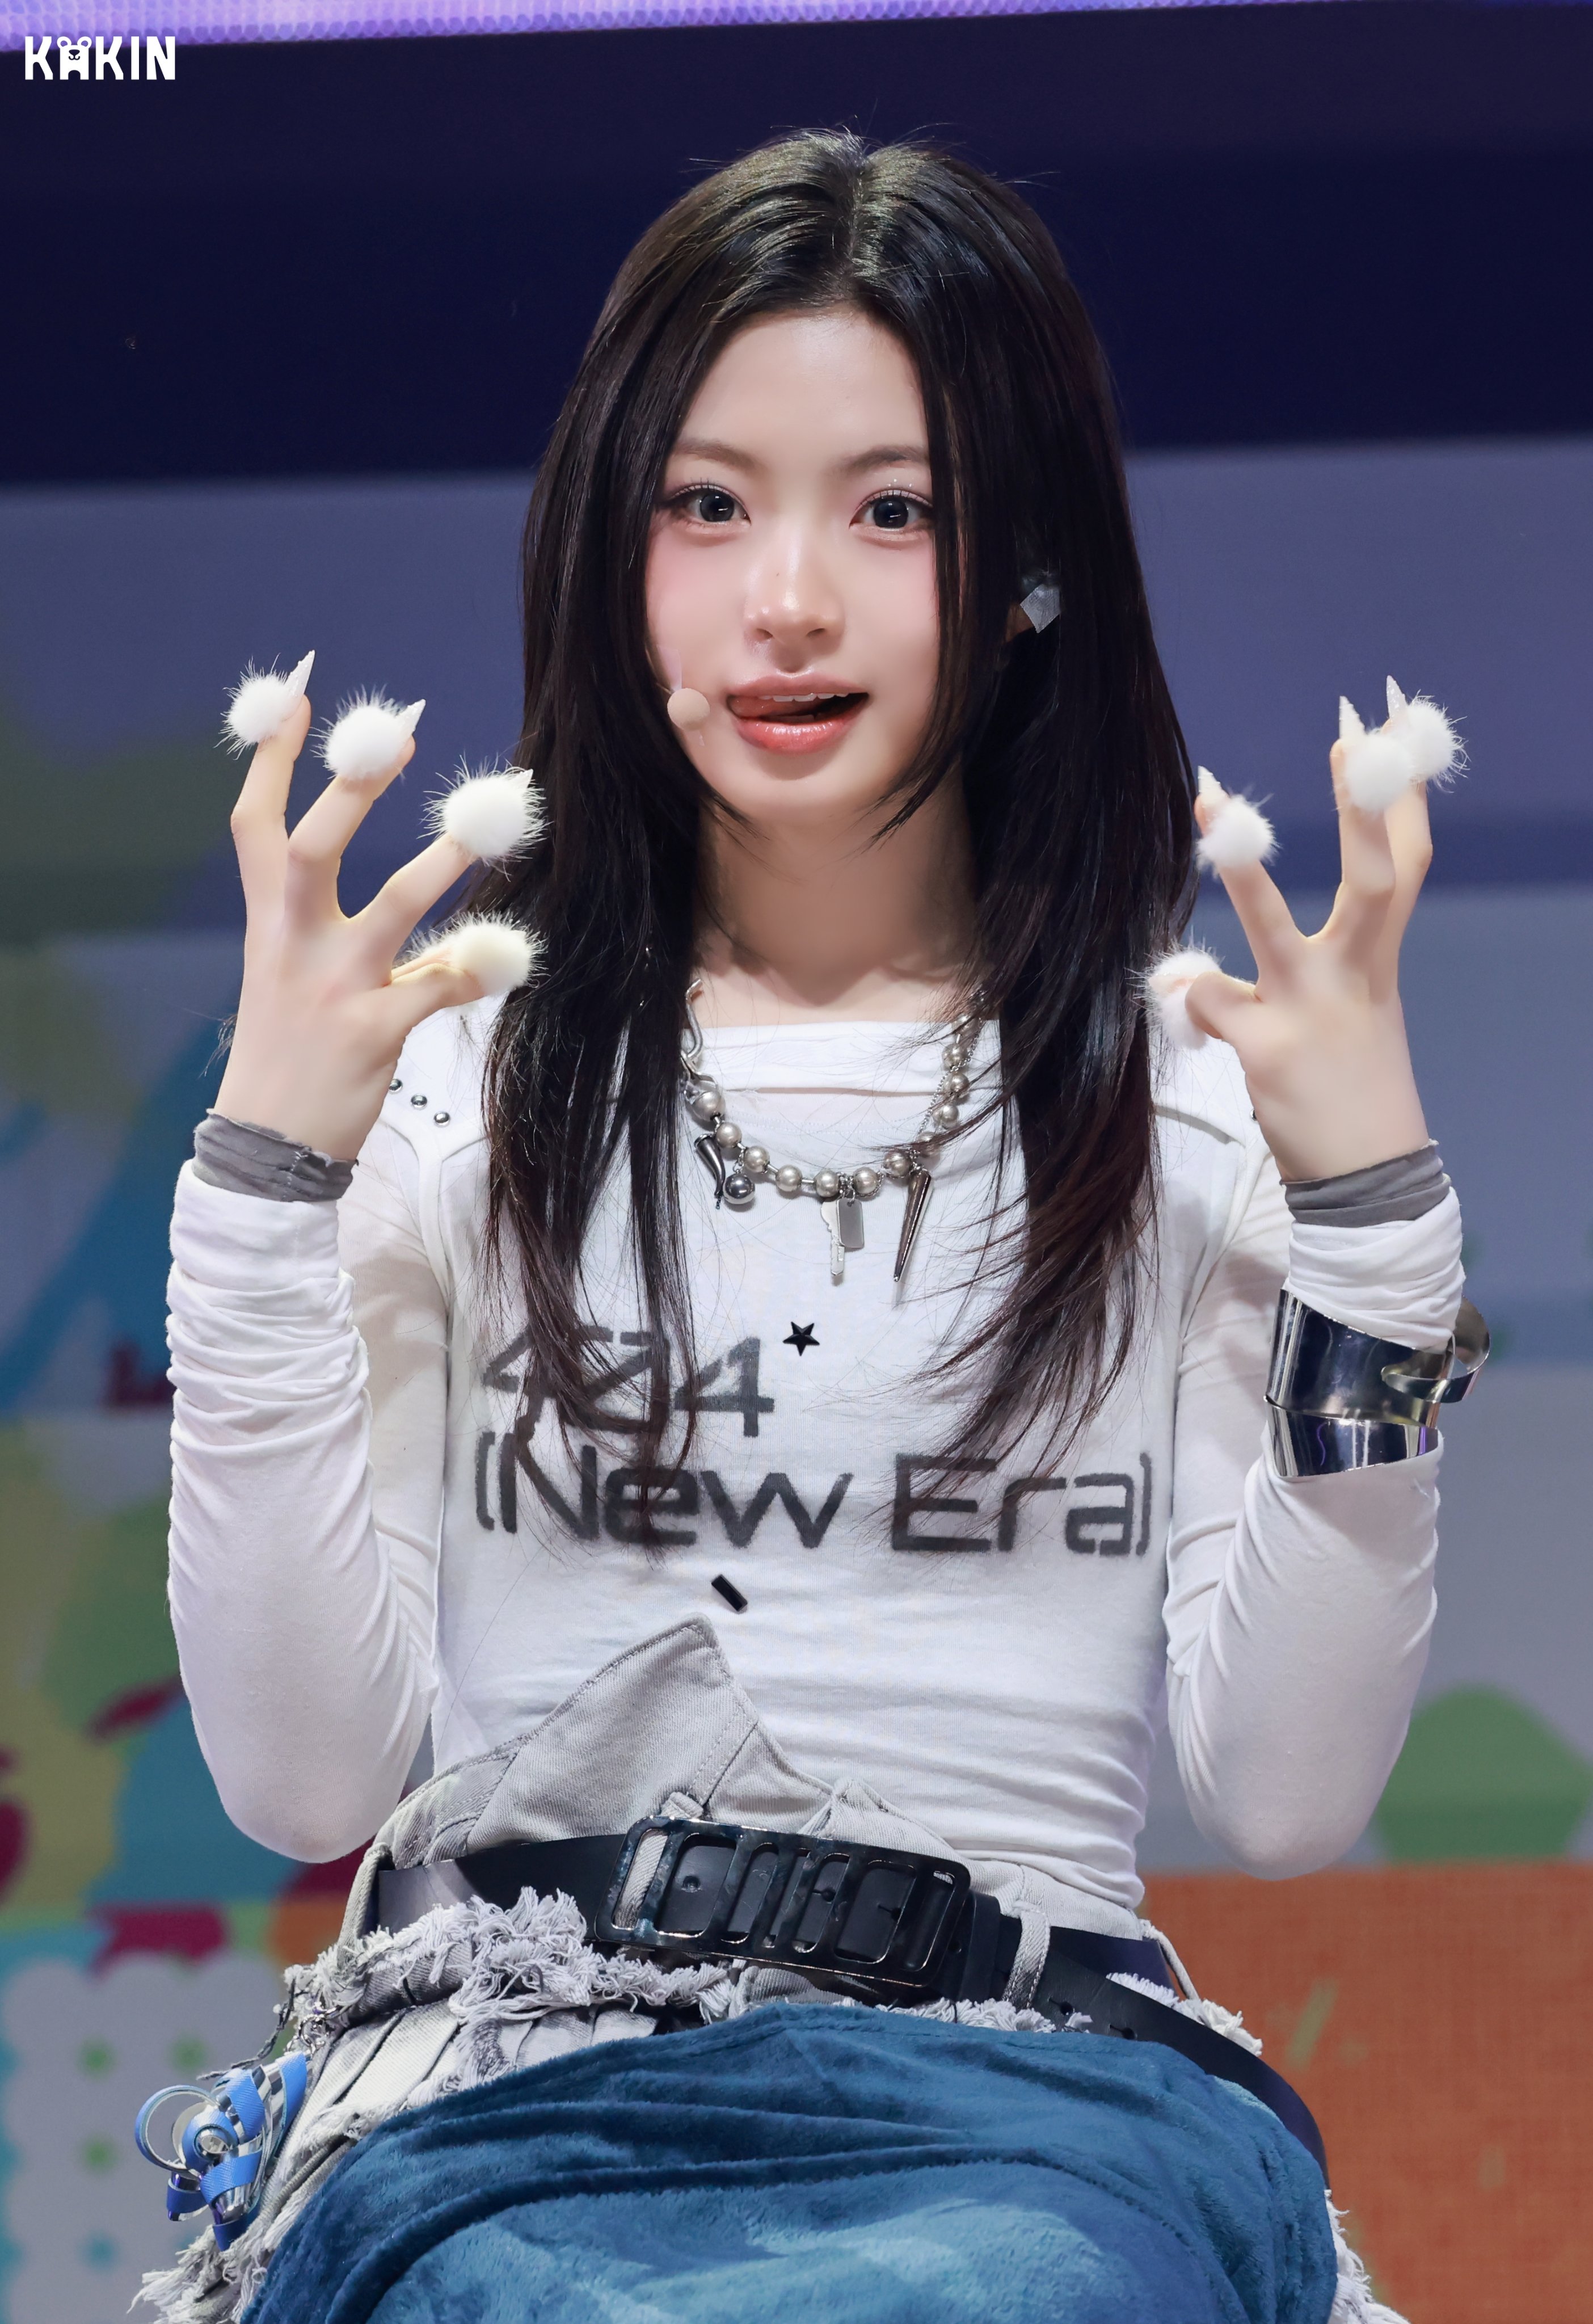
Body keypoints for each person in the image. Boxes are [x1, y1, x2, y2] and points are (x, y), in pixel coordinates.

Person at [152, 132, 1466, 2324]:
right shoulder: (455, 1082)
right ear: (614, 551)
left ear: (1029, 564)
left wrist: (1378, 1238)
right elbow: (302, 1777)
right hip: (510, 2110)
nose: (787, 600)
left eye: (894, 512)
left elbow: (1288, 1792)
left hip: (1044, 2120)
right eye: (707, 504)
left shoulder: (1190, 1105)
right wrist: (268, 1184)